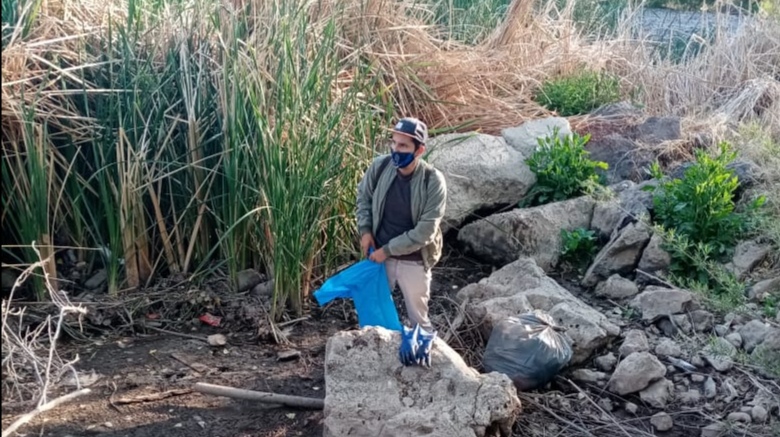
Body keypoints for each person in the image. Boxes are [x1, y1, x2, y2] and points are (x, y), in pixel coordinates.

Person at [355, 117, 447, 367]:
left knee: (419, 319)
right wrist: (365, 231)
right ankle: (374, 366)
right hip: (378, 257)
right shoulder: (380, 167)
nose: (396, 150)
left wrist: (388, 250)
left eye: (404, 146)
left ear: (419, 150)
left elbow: (426, 231)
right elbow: (363, 198)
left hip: (413, 260)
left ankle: (429, 371)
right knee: (373, 314)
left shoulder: (432, 180)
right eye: (394, 143)